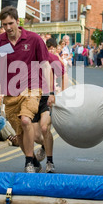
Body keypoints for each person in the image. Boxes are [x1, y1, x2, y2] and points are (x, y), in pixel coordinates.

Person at [0, 6, 54, 173]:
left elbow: (45, 65)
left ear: (17, 21)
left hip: (32, 88)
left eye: (11, 23)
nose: (8, 28)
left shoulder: (34, 39)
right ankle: (33, 161)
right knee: (20, 133)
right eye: (4, 24)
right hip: (10, 93)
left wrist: (50, 92)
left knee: (26, 120)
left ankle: (29, 162)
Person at [33, 37, 69, 173]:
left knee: (44, 128)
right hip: (32, 97)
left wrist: (63, 94)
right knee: (36, 135)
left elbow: (63, 74)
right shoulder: (30, 57)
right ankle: (43, 145)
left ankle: (49, 161)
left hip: (47, 96)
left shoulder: (52, 58)